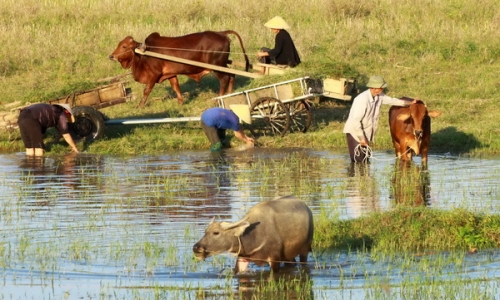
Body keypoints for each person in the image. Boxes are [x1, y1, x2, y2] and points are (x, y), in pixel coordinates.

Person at [343, 75, 417, 162]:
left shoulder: (379, 95)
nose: (382, 89)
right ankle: (355, 175)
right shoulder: (362, 100)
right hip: (355, 132)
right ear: (374, 88)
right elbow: (355, 121)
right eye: (381, 88)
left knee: (365, 159)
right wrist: (361, 137)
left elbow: (392, 101)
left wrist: (409, 103)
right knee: (358, 160)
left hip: (366, 131)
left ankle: (365, 175)